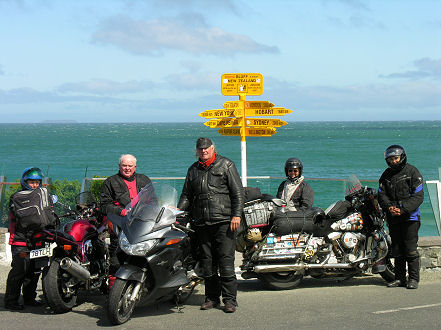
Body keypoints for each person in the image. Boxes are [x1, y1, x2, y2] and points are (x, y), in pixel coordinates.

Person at [178, 137, 244, 313]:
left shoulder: (226, 165)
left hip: (224, 221)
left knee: (226, 262)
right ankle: (211, 298)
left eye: (206, 149)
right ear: (196, 151)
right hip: (201, 222)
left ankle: (230, 300)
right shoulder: (193, 170)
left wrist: (236, 215)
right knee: (208, 263)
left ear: (213, 149)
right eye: (200, 149)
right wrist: (177, 211)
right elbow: (186, 195)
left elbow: (238, 193)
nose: (203, 151)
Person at [4, 167, 56, 310]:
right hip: (20, 240)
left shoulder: (42, 197)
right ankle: (10, 301)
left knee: (34, 270)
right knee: (19, 271)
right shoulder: (17, 198)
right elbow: (20, 218)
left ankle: (29, 298)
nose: (34, 185)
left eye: (37, 182)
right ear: (25, 181)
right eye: (32, 182)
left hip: (37, 239)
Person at [100, 154, 151, 284]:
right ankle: (113, 290)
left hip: (141, 225)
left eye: (130, 166)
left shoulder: (144, 180)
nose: (127, 168)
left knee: (143, 255)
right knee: (116, 258)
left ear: (135, 167)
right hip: (120, 225)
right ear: (119, 166)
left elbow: (153, 201)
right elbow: (104, 205)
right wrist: (122, 211)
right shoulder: (110, 182)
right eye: (124, 165)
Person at [378, 145, 424, 289]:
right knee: (397, 249)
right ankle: (399, 278)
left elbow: (418, 196)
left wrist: (403, 209)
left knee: (410, 249)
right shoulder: (386, 175)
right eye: (390, 159)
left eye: (395, 158)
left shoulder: (413, 172)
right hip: (393, 218)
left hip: (410, 218)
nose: (393, 161)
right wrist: (389, 207)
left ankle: (414, 279)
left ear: (402, 157)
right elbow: (381, 194)